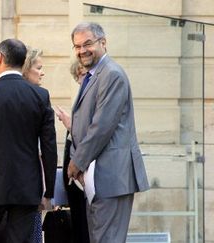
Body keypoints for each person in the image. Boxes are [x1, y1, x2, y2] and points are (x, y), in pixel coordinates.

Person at [0, 39, 57, 243]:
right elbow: (49, 147)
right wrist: (49, 190)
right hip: (26, 188)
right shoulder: (40, 96)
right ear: (23, 62)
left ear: (0, 57)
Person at [67, 22, 149, 243]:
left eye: (88, 44)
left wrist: (77, 161)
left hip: (111, 176)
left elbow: (101, 127)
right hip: (100, 177)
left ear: (103, 43)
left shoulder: (111, 74)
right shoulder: (94, 75)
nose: (82, 50)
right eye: (77, 46)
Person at [55, 60, 90, 243]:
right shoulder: (82, 96)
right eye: (78, 76)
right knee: (78, 225)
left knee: (86, 227)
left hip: (84, 173)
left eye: (83, 74)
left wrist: (70, 125)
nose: (80, 80)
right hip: (73, 175)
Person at [21, 46, 48, 243]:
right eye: (38, 68)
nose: (42, 72)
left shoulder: (39, 96)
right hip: (28, 184)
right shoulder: (37, 98)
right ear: (25, 69)